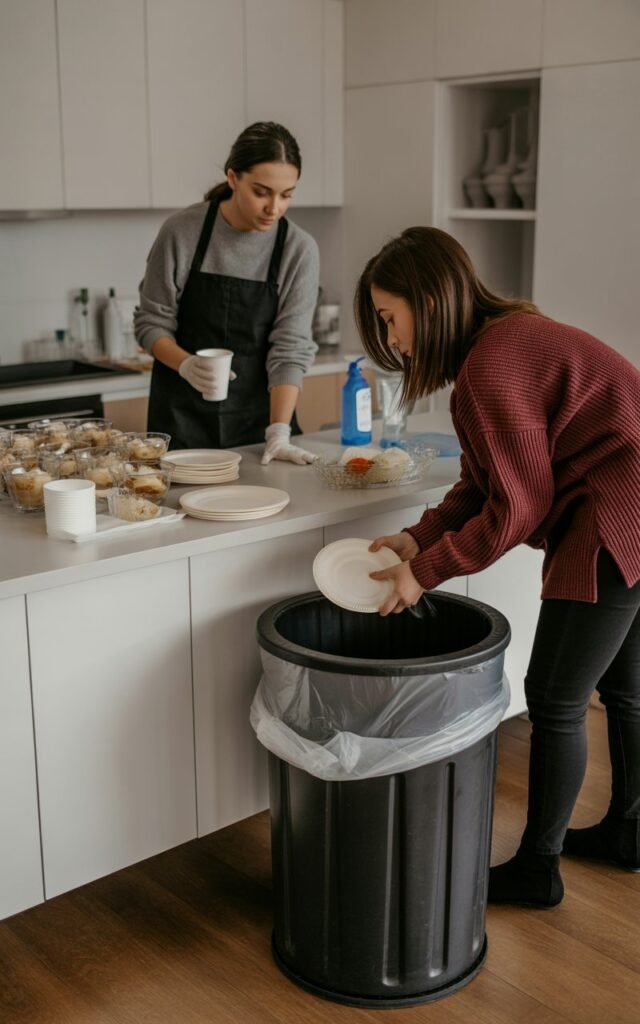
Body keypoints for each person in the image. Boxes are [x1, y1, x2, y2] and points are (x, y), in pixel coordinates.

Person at [354, 226, 640, 908]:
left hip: (616, 511)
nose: (394, 340)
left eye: (392, 319)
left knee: (556, 699)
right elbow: (485, 486)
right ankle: (630, 832)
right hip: (629, 502)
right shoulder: (509, 339)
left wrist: (424, 573)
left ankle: (537, 870)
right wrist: (416, 539)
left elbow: (518, 504)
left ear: (429, 300)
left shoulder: (492, 363)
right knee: (626, 691)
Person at [134, 121, 319, 463]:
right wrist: (186, 364)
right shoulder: (181, 232)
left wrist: (278, 431)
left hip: (259, 425)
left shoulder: (299, 249)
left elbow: (290, 348)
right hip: (180, 421)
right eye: (261, 192)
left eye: (287, 195)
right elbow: (151, 323)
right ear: (233, 178)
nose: (274, 208)